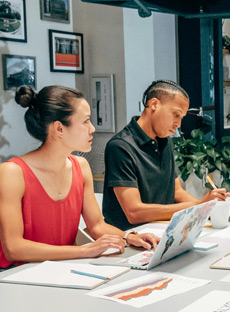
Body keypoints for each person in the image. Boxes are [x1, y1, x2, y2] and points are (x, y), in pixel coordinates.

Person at [0, 85, 160, 269]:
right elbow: (14, 248)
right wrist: (86, 250)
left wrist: (130, 238)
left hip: (63, 270)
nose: (92, 128)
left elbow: (97, 226)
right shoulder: (11, 173)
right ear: (59, 128)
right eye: (85, 121)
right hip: (15, 278)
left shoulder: (81, 166)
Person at [102, 80, 229, 231]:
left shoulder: (164, 142)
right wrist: (198, 204)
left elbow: (176, 191)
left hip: (162, 231)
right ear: (154, 104)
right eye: (176, 115)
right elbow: (134, 212)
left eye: (181, 117)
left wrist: (206, 209)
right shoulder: (120, 146)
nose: (178, 124)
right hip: (130, 238)